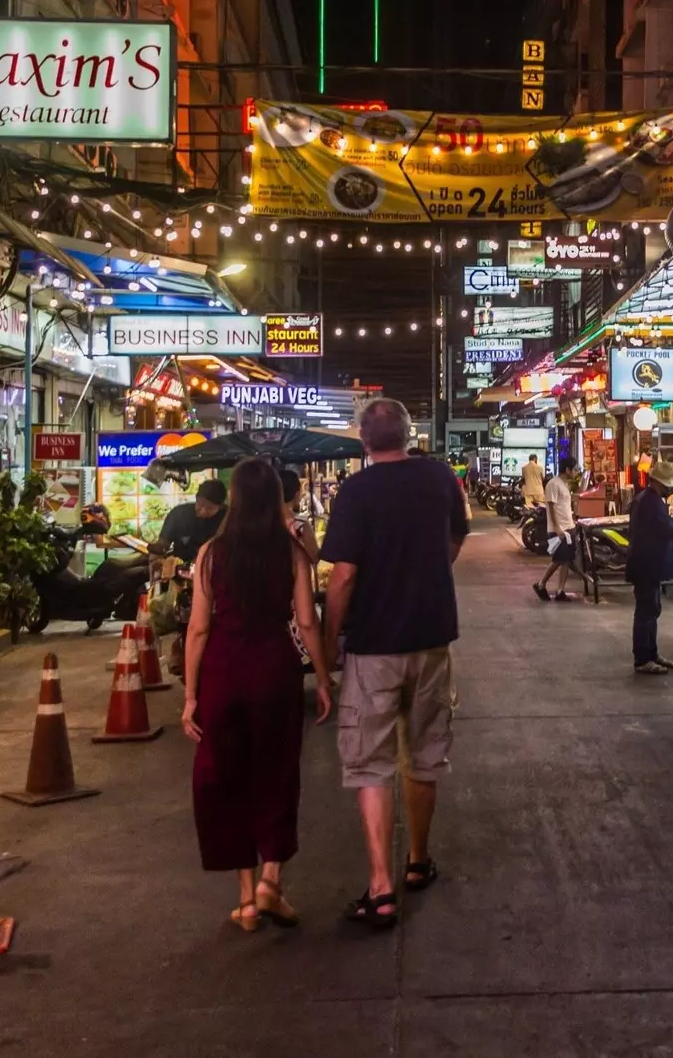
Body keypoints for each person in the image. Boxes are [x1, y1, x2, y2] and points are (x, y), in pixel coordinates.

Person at [321, 398, 470, 928]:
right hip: (432, 639)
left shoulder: (355, 491)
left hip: (374, 646)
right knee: (425, 755)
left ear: (364, 440)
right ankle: (418, 861)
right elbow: (456, 538)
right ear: (410, 435)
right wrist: (424, 574)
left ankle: (381, 887)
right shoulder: (439, 478)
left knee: (371, 762)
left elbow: (343, 577)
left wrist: (328, 643)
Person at [182, 458, 333, 931]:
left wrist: (191, 696)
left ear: (235, 499)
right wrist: (323, 678)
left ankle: (247, 900)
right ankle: (271, 880)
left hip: (223, 672)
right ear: (274, 499)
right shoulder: (290, 553)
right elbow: (307, 622)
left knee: (228, 777)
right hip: (274, 670)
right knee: (277, 771)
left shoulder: (211, 553)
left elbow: (198, 629)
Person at [624, 463, 673, 674]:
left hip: (647, 564)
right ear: (659, 483)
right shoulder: (650, 503)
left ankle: (651, 653)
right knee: (646, 611)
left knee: (652, 609)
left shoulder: (649, 500)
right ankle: (643, 659)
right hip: (646, 565)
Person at [533, 456, 585, 601]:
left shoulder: (564, 484)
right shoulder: (553, 484)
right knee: (558, 559)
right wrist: (557, 527)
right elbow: (551, 506)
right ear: (567, 470)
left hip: (568, 527)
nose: (576, 472)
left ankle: (560, 591)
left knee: (566, 560)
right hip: (558, 530)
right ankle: (541, 584)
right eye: (574, 469)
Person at [157, 478, 227, 567]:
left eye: (209, 508)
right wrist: (157, 555)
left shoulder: (228, 518)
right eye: (200, 504)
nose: (203, 511)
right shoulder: (178, 514)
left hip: (215, 569)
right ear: (196, 498)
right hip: (182, 569)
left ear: (220, 507)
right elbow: (163, 543)